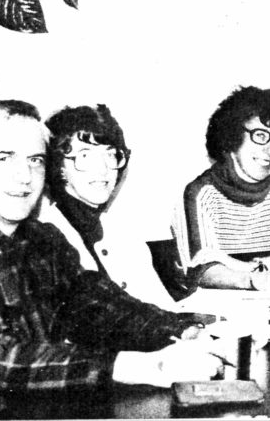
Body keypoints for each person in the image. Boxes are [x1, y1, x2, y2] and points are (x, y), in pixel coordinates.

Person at [0, 101, 225, 420]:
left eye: (35, 160)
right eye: (5, 158)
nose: (24, 176)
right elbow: (2, 359)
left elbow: (103, 307)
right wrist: (148, 365)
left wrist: (187, 330)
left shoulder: (42, 240)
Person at [172, 86, 270, 292]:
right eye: (260, 135)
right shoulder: (201, 193)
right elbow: (203, 270)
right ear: (232, 137)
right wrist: (252, 279)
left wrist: (249, 266)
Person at [36, 104, 176, 308]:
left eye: (110, 154)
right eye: (85, 155)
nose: (102, 169)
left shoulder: (122, 231)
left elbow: (163, 307)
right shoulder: (45, 236)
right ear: (58, 166)